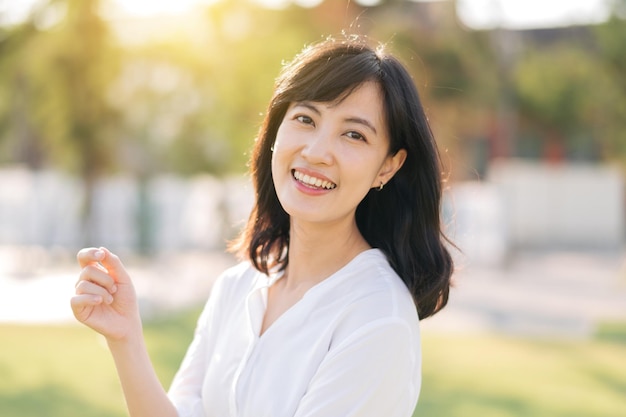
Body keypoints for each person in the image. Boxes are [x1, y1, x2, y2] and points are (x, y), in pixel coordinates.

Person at [71, 35, 453, 417]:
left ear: (388, 165)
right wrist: (126, 339)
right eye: (305, 119)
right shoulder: (237, 287)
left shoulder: (377, 318)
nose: (317, 152)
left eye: (354, 134)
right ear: (275, 130)